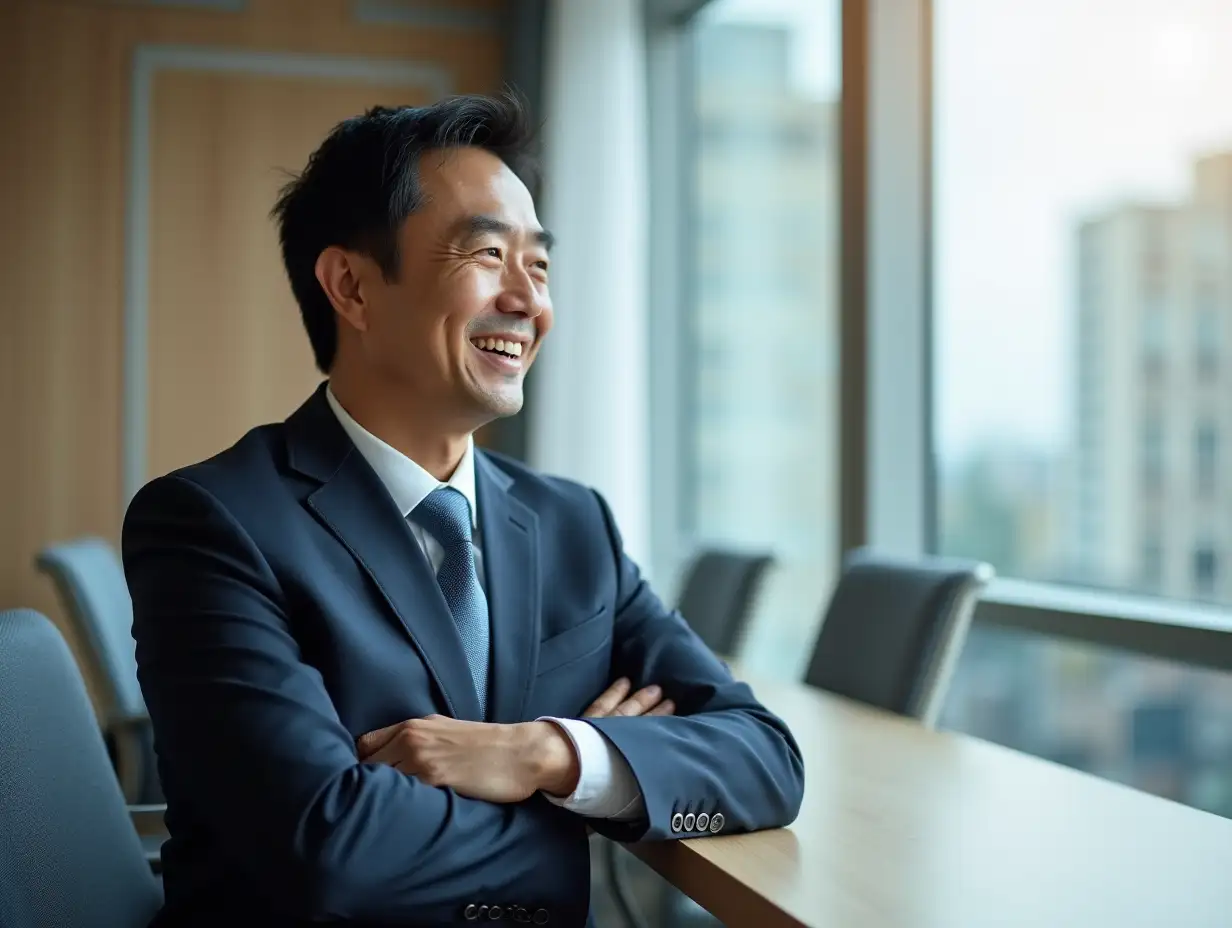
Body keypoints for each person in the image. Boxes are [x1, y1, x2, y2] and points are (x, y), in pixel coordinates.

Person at [123, 93, 804, 928]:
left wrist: (545, 754)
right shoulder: (212, 524)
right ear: (352, 286)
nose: (528, 302)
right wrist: (585, 810)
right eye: (488, 254)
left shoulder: (571, 524)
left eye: (541, 266)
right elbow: (331, 857)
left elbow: (766, 761)